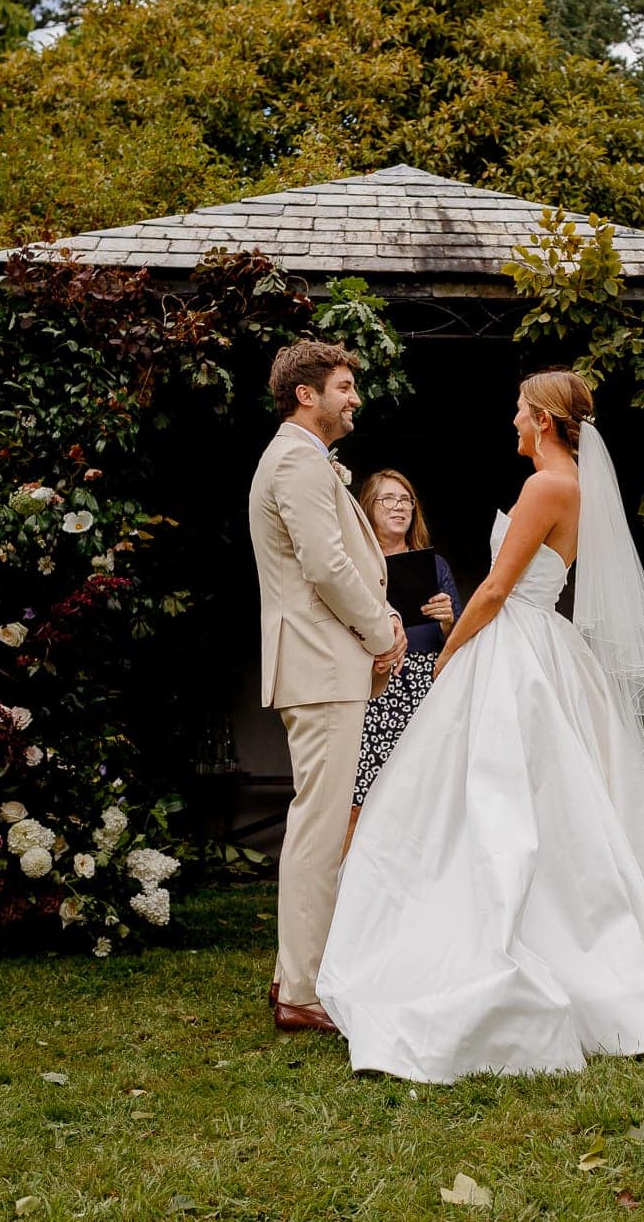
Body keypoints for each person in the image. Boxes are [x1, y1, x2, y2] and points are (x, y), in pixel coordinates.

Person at [317, 369, 644, 1082]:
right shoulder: (570, 480)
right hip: (543, 645)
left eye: (519, 408)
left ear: (543, 419)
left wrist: (450, 656)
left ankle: (515, 948)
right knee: (547, 800)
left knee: (503, 797)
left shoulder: (547, 485)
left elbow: (494, 588)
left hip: (516, 646)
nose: (511, 418)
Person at [248, 340, 407, 1035]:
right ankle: (303, 993)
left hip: (321, 664)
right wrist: (381, 632)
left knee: (318, 822)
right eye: (344, 386)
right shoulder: (294, 459)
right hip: (319, 665)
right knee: (319, 828)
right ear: (306, 393)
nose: (355, 398)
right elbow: (328, 565)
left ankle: (296, 973)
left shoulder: (305, 460)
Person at [351, 471, 461, 815]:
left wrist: (447, 619)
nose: (399, 507)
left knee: (426, 794)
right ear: (369, 507)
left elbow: (458, 640)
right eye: (389, 499)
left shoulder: (435, 565)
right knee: (366, 796)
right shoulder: (353, 566)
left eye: (406, 500)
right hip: (374, 686)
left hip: (425, 688)